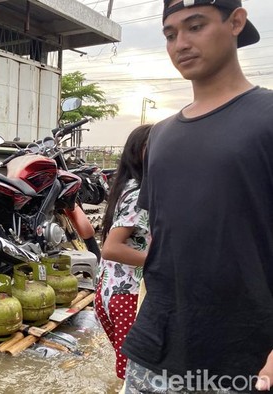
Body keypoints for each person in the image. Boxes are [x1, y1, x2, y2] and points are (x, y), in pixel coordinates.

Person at [121, 0, 273, 392]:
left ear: (236, 21)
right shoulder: (161, 135)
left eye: (196, 26)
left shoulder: (267, 118)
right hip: (157, 346)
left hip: (246, 358)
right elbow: (161, 238)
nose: (181, 43)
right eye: (170, 34)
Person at [94, 124, 152, 381]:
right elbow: (111, 248)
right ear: (141, 152)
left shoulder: (125, 186)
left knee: (128, 371)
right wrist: (157, 261)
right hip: (127, 295)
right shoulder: (139, 193)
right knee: (134, 376)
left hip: (108, 291)